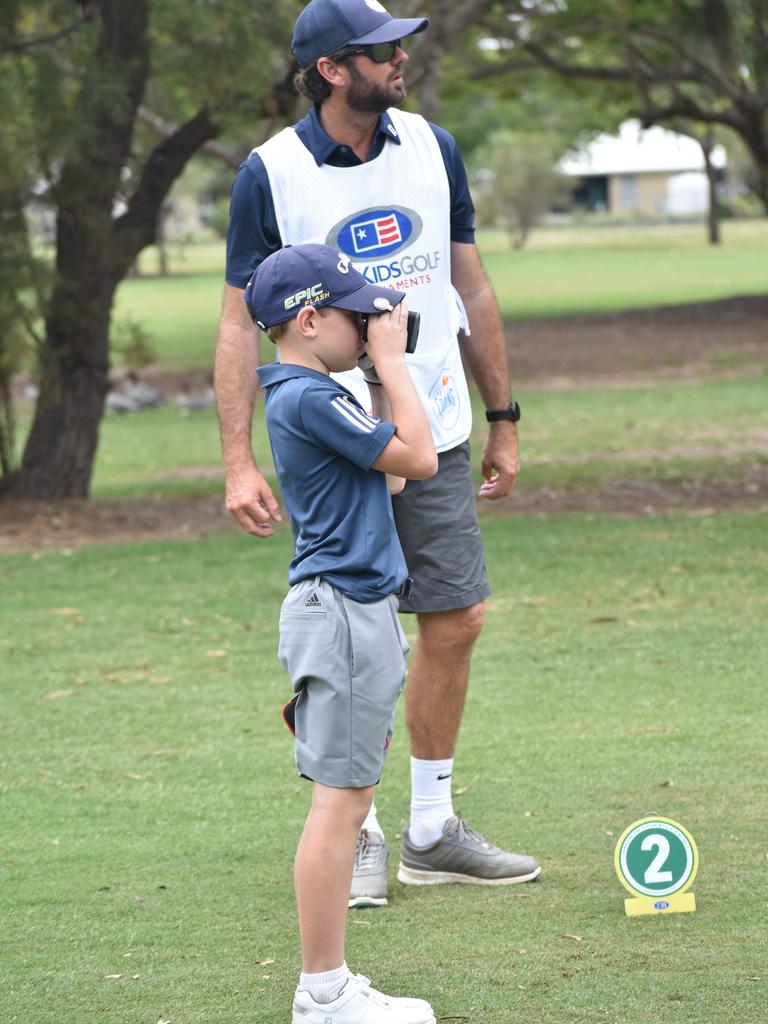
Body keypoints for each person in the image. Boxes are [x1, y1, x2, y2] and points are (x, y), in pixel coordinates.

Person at [215, 0, 541, 907]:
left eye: (399, 45)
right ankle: (356, 827)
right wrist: (239, 461)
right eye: (380, 49)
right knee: (356, 633)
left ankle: (431, 828)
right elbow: (240, 323)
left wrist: (503, 414)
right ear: (331, 70)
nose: (400, 57)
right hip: (337, 440)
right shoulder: (269, 174)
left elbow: (467, 281)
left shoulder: (434, 146)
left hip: (433, 427)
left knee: (456, 619)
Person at [246, 241, 438, 1023]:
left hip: (355, 610)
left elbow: (390, 472)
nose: (370, 327)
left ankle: (328, 987)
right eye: (358, 317)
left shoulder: (321, 390)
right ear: (309, 317)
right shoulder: (305, 396)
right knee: (342, 806)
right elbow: (422, 459)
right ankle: (322, 993)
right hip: (344, 612)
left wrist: (372, 374)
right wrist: (393, 366)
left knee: (348, 800)